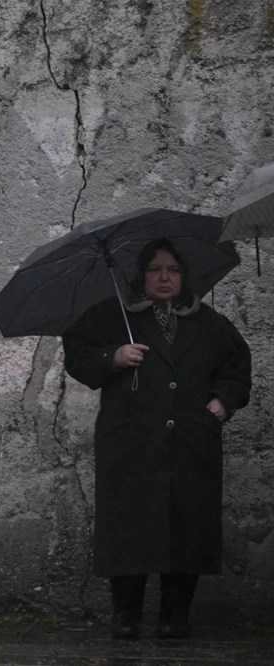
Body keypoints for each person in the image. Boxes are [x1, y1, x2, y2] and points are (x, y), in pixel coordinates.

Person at [63, 238, 251, 640]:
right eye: (154, 270)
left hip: (191, 441)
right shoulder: (113, 317)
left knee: (186, 525)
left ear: (184, 276)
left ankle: (175, 615)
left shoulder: (211, 323)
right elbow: (77, 355)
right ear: (140, 276)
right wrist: (113, 357)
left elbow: (236, 367)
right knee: (129, 525)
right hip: (130, 442)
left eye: (173, 270)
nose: (164, 278)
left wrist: (220, 404)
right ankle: (126, 615)